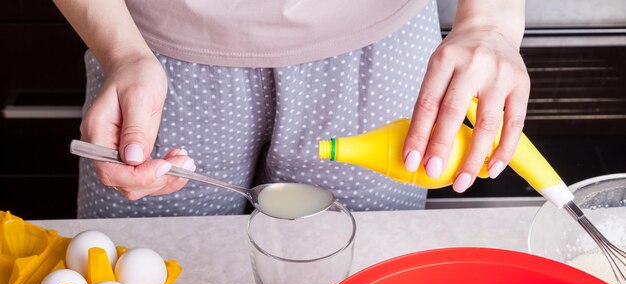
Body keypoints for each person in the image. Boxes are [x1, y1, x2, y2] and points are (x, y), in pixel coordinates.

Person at [53, 0, 529, 218]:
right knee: (136, 280)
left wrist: (490, 19)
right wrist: (122, 52)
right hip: (152, 53)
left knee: (362, 280)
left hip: (378, 50)